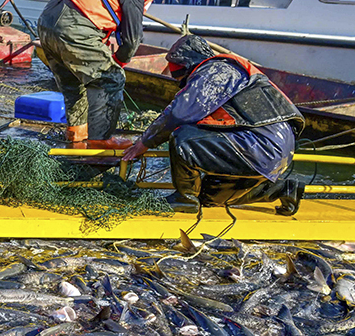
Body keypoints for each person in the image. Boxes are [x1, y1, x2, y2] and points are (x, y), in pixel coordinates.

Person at [123, 35, 304, 215]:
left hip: (259, 143)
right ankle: (283, 189)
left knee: (182, 137)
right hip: (278, 150)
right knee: (208, 197)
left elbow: (178, 113)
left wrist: (144, 142)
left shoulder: (216, 70)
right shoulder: (230, 69)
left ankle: (184, 199)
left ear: (187, 66)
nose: (181, 85)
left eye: (182, 80)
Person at [37, 0, 166, 143]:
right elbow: (132, 39)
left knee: (75, 86)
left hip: (46, 22)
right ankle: (100, 144)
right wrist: (119, 62)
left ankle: (76, 137)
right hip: (74, 27)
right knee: (111, 80)